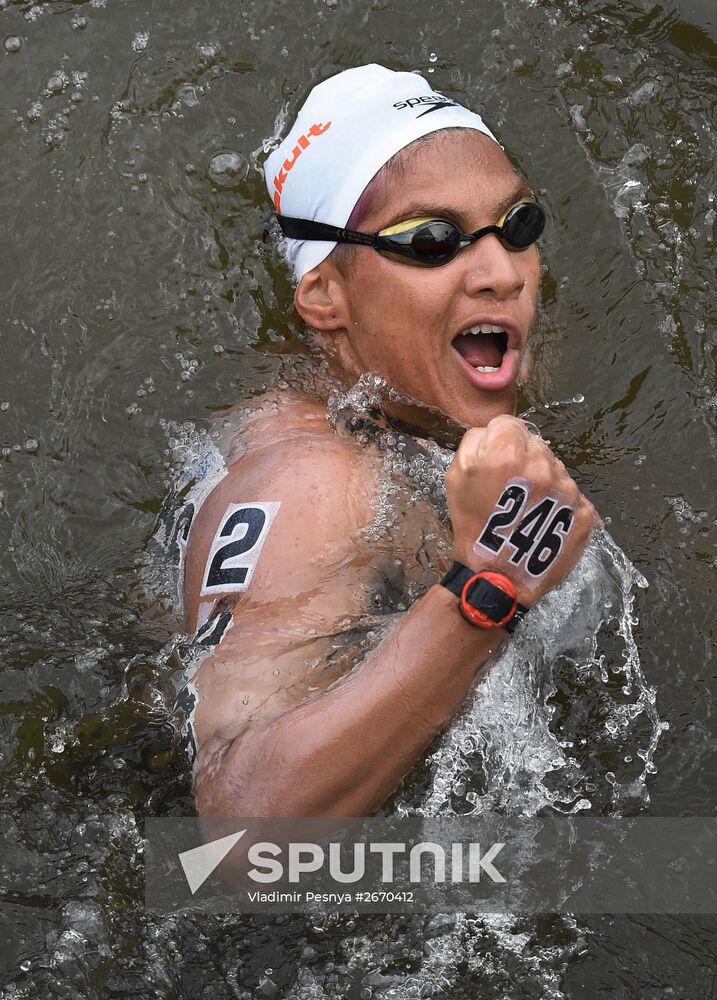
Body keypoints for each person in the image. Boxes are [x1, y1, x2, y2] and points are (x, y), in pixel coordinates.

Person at [175, 64, 599, 817]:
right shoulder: (316, 481)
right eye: (431, 241)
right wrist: (489, 583)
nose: (500, 272)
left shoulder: (380, 417)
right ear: (324, 297)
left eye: (518, 225)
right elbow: (233, 832)